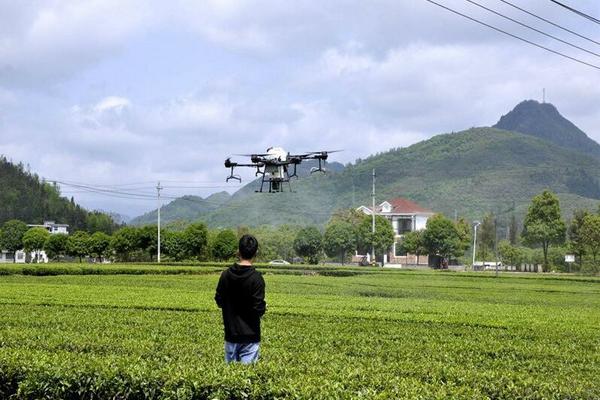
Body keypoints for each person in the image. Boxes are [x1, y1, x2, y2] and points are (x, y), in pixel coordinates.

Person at [215, 234, 266, 364]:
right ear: (256, 253)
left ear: (238, 251)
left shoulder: (225, 275)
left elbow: (219, 300)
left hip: (231, 334)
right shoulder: (257, 278)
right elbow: (258, 308)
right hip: (250, 336)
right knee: (246, 378)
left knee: (229, 379)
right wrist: (263, 307)